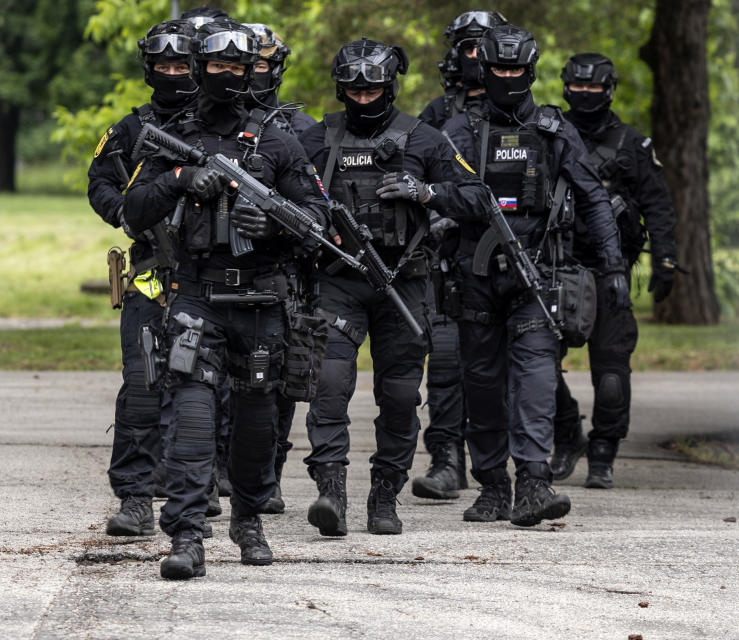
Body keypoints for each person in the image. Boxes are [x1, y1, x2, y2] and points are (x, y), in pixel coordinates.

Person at [124, 20, 329, 579]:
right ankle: (187, 535)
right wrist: (181, 179)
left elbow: (318, 221)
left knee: (258, 424)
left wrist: (268, 225)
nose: (229, 76)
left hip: (263, 303)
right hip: (197, 296)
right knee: (191, 417)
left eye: (239, 68)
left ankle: (249, 520)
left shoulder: (277, 141)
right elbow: (131, 210)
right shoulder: (173, 137)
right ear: (199, 70)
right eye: (217, 67)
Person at [297, 38, 488, 536]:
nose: (364, 101)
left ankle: (386, 494)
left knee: (401, 396)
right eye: (354, 92)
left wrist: (428, 193)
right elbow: (287, 194)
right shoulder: (319, 138)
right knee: (331, 386)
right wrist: (316, 222)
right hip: (339, 280)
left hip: (405, 282)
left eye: (373, 91)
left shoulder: (425, 139)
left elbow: (476, 196)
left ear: (390, 87)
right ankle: (330, 490)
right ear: (341, 90)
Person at [443, 25, 628, 527]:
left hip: (538, 273)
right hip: (475, 276)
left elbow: (592, 197)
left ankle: (533, 482)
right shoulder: (460, 132)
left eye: (516, 70)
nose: (508, 78)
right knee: (481, 384)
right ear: (485, 71)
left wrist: (612, 265)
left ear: (531, 71)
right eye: (499, 70)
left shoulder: (553, 129)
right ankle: (492, 487)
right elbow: (432, 193)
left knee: (536, 379)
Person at [87, 18, 211, 539]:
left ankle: (192, 500)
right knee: (141, 385)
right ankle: (136, 498)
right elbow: (98, 182)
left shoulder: (221, 124)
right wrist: (124, 213)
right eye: (162, 64)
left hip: (207, 277)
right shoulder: (131, 129)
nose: (171, 72)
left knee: (202, 393)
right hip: (151, 276)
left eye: (181, 64)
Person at [550, 53, 678, 489]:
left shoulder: (633, 145)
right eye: (578, 89)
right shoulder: (548, 137)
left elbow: (658, 205)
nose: (585, 96)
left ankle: (603, 452)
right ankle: (566, 432)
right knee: (535, 365)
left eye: (594, 89)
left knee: (610, 376)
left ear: (608, 91)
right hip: (554, 268)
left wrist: (664, 258)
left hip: (611, 270)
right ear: (566, 88)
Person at [411, 10, 504, 502]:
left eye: (483, 46)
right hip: (451, 258)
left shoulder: (523, 111)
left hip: (510, 261)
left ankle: (523, 459)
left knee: (508, 367)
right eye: (467, 47)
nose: (475, 57)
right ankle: (447, 459)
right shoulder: (436, 115)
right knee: (445, 363)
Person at [236, 22, 319, 516]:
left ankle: (268, 475)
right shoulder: (206, 123)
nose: (253, 73)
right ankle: (217, 472)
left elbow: (319, 203)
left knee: (277, 378)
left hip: (282, 271)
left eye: (263, 64)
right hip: (215, 272)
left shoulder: (302, 130)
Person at [419, 10, 506, 129]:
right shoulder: (438, 110)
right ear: (456, 56)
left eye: (483, 48)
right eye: (469, 48)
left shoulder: (515, 107)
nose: (476, 54)